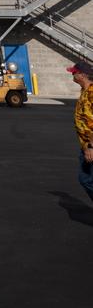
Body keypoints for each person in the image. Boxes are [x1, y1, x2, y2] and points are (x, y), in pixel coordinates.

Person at [67, 60, 93, 203]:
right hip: (86, 145)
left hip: (90, 145)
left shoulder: (92, 93)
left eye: (74, 72)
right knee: (86, 179)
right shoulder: (84, 91)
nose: (73, 74)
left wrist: (90, 146)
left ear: (82, 75)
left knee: (86, 179)